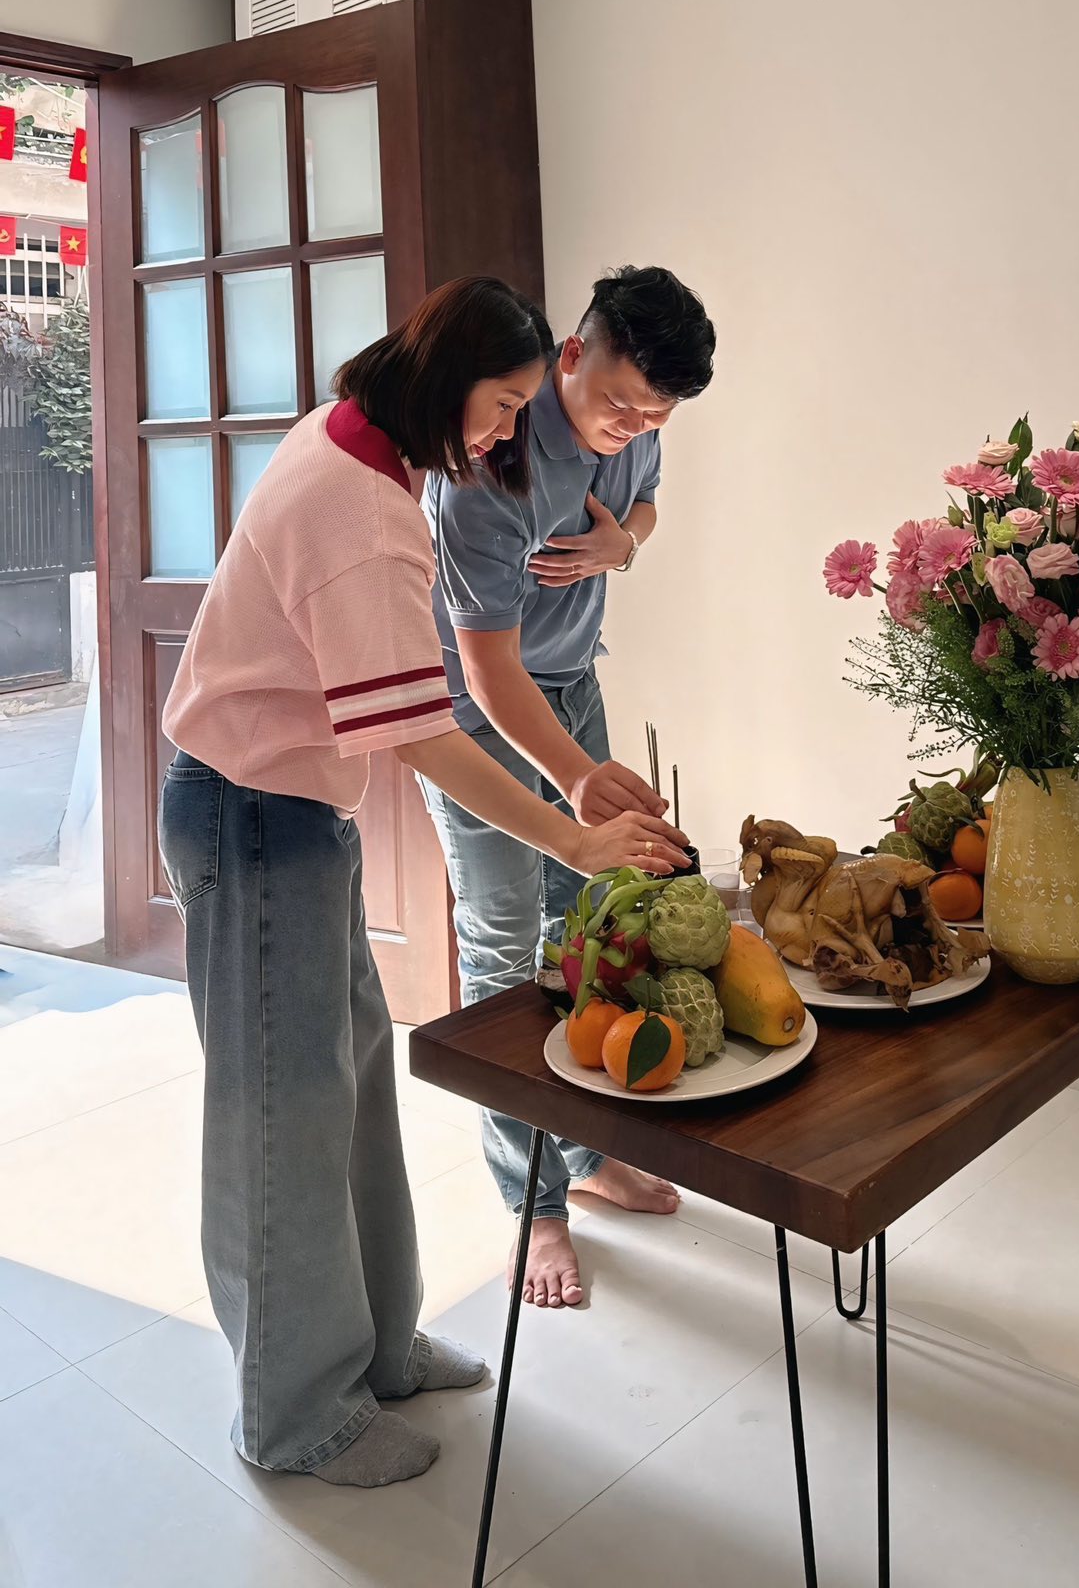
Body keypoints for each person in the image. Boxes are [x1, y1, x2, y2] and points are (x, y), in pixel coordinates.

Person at [157, 277, 688, 1491]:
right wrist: (572, 835)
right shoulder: (363, 507)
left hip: (297, 808)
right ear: (449, 380)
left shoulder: (368, 443)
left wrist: (572, 796)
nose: (504, 433)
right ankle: (295, 1414)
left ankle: (377, 1351)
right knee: (282, 1117)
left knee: (346, 1086)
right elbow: (428, 732)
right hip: (250, 811)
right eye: (500, 405)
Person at [420, 265, 716, 1310]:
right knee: (505, 945)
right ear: (572, 356)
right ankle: (532, 1200)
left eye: (654, 415)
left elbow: (648, 507)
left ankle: (586, 1154)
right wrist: (578, 778)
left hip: (572, 684)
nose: (631, 428)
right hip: (475, 714)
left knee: (591, 927)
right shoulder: (485, 469)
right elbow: (488, 674)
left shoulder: (637, 425)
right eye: (620, 405)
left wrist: (621, 545)